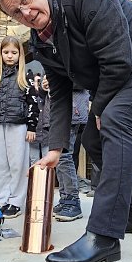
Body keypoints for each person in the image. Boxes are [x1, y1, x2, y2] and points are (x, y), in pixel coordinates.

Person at [0, 0, 132, 262]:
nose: (27, 13)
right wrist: (55, 149)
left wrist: (98, 110)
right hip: (119, 72)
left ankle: (104, 236)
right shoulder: (41, 41)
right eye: (17, 13)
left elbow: (119, 61)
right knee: (93, 138)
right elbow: (59, 94)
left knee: (114, 120)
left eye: (26, 1)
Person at [0, 36, 39, 219]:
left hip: (18, 124)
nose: (9, 56)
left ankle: (16, 202)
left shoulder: (25, 75)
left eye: (14, 52)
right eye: (6, 52)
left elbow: (33, 102)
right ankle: (0, 201)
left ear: (20, 54)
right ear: (0, 54)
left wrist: (32, 126)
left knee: (18, 164)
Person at [53, 88, 90, 221]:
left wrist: (56, 79)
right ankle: (65, 199)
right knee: (59, 157)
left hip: (74, 112)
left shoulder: (75, 67)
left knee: (65, 156)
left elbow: (82, 80)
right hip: (63, 111)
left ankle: (72, 200)